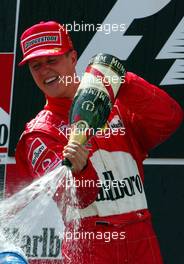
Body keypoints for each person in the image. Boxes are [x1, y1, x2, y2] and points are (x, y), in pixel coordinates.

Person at [15, 21, 183, 264]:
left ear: (73, 58)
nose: (44, 71)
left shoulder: (115, 106)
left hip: (141, 232)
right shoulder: (39, 134)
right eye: (35, 66)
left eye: (52, 61)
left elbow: (170, 119)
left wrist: (124, 81)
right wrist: (81, 171)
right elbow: (77, 199)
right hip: (93, 241)